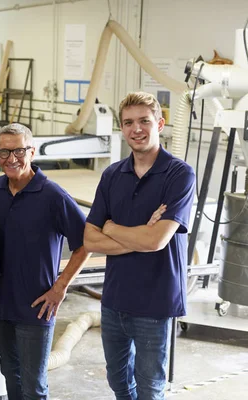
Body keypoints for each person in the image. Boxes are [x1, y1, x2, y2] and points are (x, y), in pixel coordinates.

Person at [84, 91, 195, 400]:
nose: (137, 129)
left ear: (160, 123)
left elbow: (157, 240)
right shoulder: (112, 175)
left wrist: (112, 227)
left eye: (144, 121)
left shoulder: (179, 174)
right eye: (129, 122)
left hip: (155, 302)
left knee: (149, 388)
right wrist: (141, 236)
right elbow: (90, 240)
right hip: (115, 298)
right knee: (118, 381)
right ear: (122, 128)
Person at [0, 123, 90, 399]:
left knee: (34, 385)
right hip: (0, 302)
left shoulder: (53, 196)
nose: (11, 158)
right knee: (9, 373)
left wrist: (60, 287)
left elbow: (86, 242)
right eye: (4, 151)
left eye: (18, 150)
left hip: (37, 306)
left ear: (32, 151)